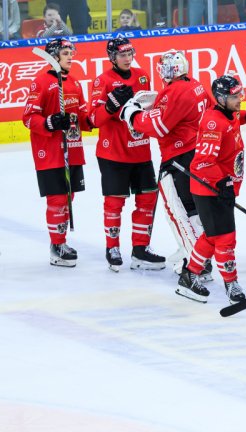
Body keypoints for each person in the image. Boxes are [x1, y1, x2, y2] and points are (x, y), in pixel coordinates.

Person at [120, 50, 215, 281]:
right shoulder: (196, 85)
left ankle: (196, 262)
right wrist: (160, 102)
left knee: (178, 212)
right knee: (195, 210)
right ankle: (201, 257)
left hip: (178, 161)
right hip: (199, 156)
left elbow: (159, 127)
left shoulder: (173, 92)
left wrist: (133, 115)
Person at [175, 74, 246, 303]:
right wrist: (222, 183)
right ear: (220, 98)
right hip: (209, 188)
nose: (239, 99)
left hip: (218, 187)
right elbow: (202, 161)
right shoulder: (213, 122)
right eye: (235, 96)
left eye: (240, 95)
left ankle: (189, 276)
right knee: (226, 238)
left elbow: (238, 116)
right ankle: (231, 283)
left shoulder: (228, 113)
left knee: (212, 237)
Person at [89, 38, 165, 272]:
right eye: (122, 54)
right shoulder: (102, 81)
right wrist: (110, 105)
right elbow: (93, 119)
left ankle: (140, 249)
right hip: (113, 152)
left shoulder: (142, 75)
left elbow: (149, 109)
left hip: (140, 150)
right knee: (114, 203)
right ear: (112, 57)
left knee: (148, 200)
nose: (127, 58)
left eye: (130, 53)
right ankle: (112, 247)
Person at [22, 39, 93, 267]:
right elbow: (28, 118)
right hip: (50, 152)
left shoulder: (73, 83)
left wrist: (103, 113)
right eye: (65, 53)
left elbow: (83, 116)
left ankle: (61, 241)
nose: (70, 56)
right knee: (57, 199)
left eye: (71, 52)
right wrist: (50, 122)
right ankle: (57, 245)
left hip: (72, 150)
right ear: (54, 56)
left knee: (69, 197)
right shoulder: (41, 83)